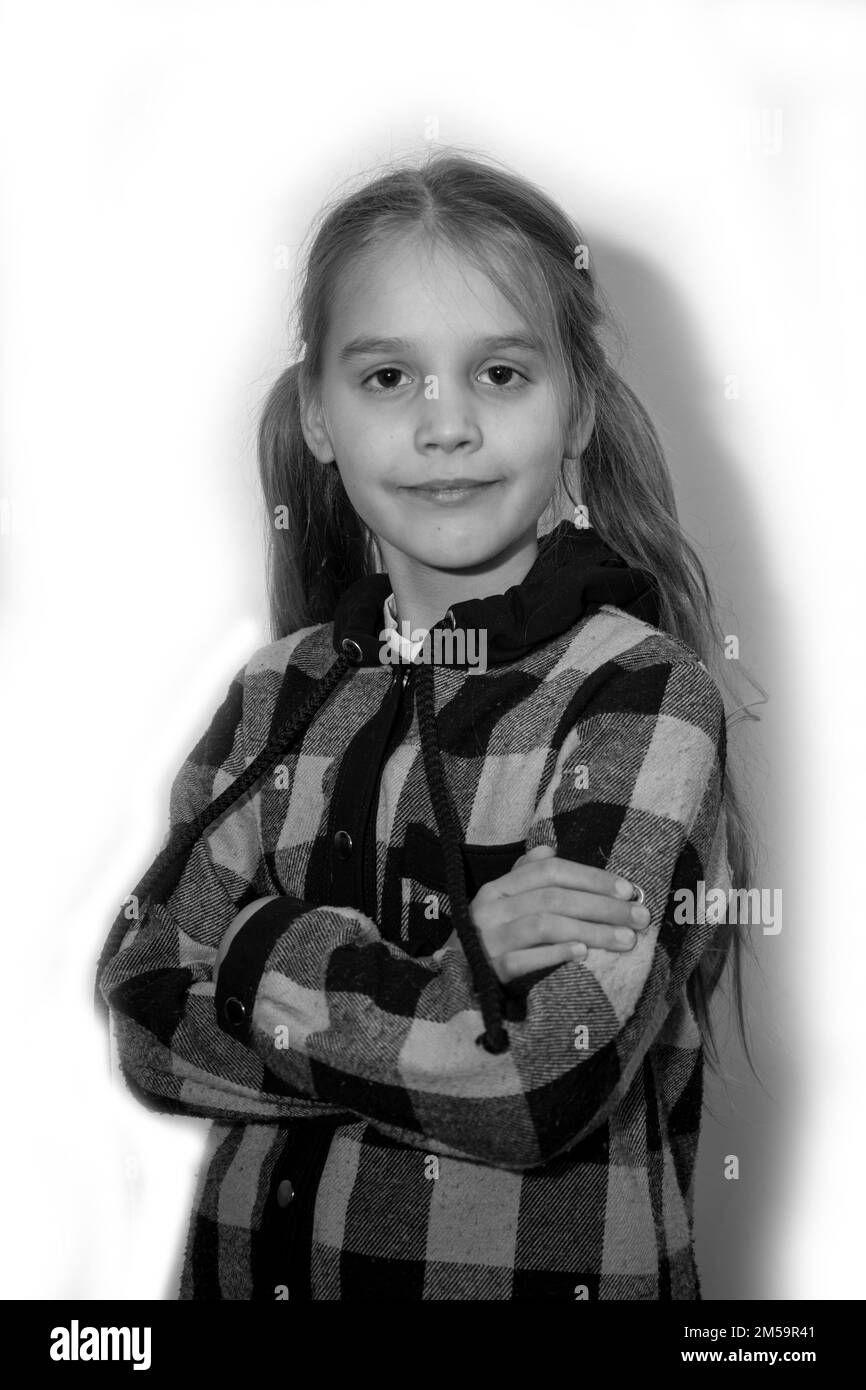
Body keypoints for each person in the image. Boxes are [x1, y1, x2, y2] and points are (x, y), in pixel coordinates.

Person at [95, 147, 758, 1301]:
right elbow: (147, 1017)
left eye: (499, 373)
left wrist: (249, 952)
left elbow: (533, 1081)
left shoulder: (639, 695)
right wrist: (461, 969)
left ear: (576, 409)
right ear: (317, 417)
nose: (444, 425)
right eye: (387, 378)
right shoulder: (270, 694)